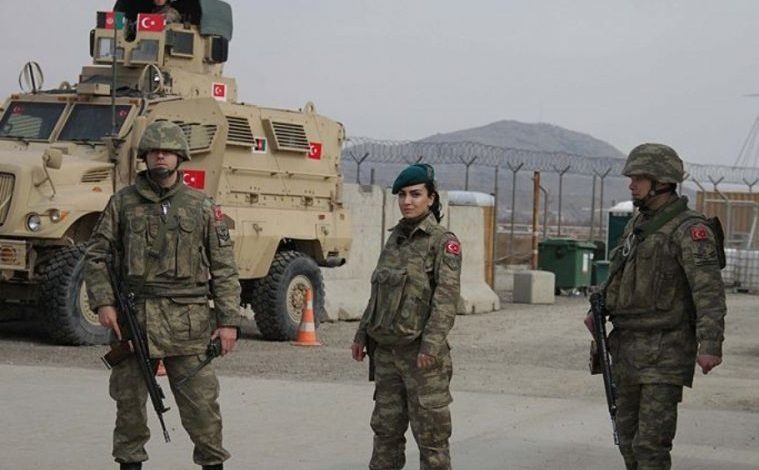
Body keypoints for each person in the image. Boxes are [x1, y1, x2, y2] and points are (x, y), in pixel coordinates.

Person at [84, 121, 241, 470]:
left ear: (179, 157)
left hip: (187, 325)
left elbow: (224, 268)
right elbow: (97, 255)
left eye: (168, 152)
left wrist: (228, 321)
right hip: (133, 321)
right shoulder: (122, 203)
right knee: (129, 409)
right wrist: (104, 302)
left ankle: (212, 464)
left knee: (202, 409)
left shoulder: (201, 206)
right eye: (155, 151)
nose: (160, 157)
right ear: (145, 156)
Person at [585, 143, 726, 470]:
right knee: (627, 438)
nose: (631, 185)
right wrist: (600, 307)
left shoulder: (690, 230)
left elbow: (708, 291)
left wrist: (710, 344)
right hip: (627, 348)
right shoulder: (638, 225)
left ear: (661, 181)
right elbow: (620, 274)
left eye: (638, 178)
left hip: (665, 350)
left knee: (651, 446)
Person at [351, 164, 462, 470]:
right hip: (387, 353)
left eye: (415, 194)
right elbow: (379, 294)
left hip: (421, 357)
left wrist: (431, 346)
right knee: (385, 433)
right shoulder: (395, 239)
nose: (407, 201)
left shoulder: (442, 242)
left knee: (432, 439)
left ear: (431, 198)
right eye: (402, 195)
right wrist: (362, 334)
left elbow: (446, 301)